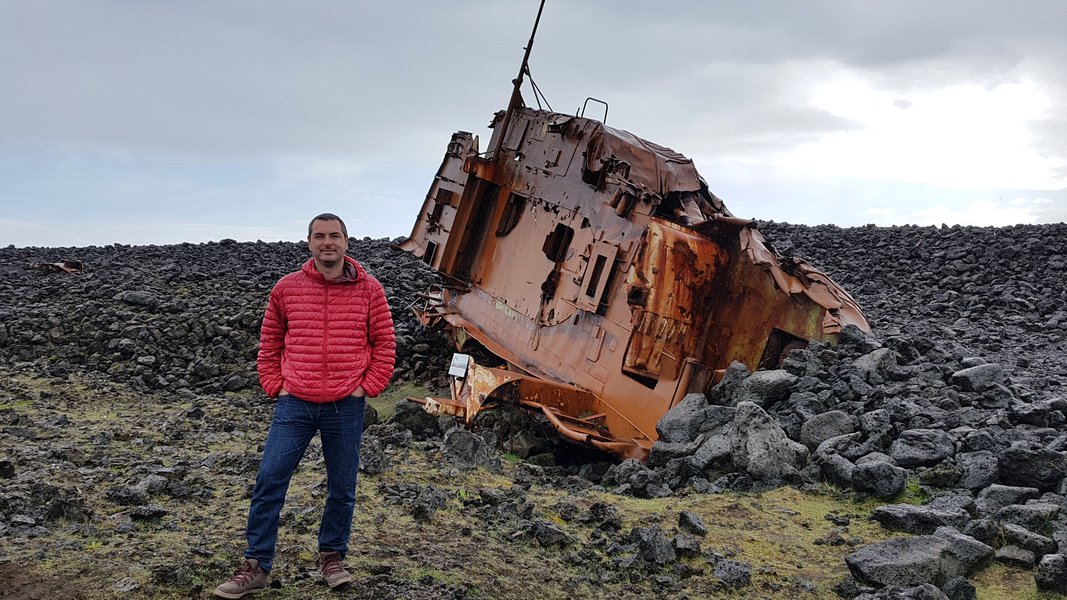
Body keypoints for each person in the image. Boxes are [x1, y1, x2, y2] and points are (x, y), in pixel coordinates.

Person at [214, 213, 396, 598]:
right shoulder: (287, 288)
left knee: (342, 487)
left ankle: (332, 557)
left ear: (347, 242)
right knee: (269, 481)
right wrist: (274, 385)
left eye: (334, 236)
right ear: (309, 242)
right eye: (319, 236)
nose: (326, 242)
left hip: (346, 404)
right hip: (294, 403)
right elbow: (270, 340)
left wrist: (368, 387)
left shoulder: (370, 289)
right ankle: (256, 565)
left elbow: (384, 342)